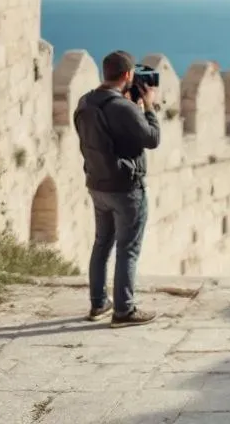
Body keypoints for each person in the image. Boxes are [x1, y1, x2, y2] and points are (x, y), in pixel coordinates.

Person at [73, 50, 162, 328]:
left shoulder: (86, 102)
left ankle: (99, 303)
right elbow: (152, 138)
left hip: (97, 185)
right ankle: (124, 310)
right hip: (126, 188)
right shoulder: (123, 108)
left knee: (101, 244)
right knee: (128, 249)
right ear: (127, 75)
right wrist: (148, 106)